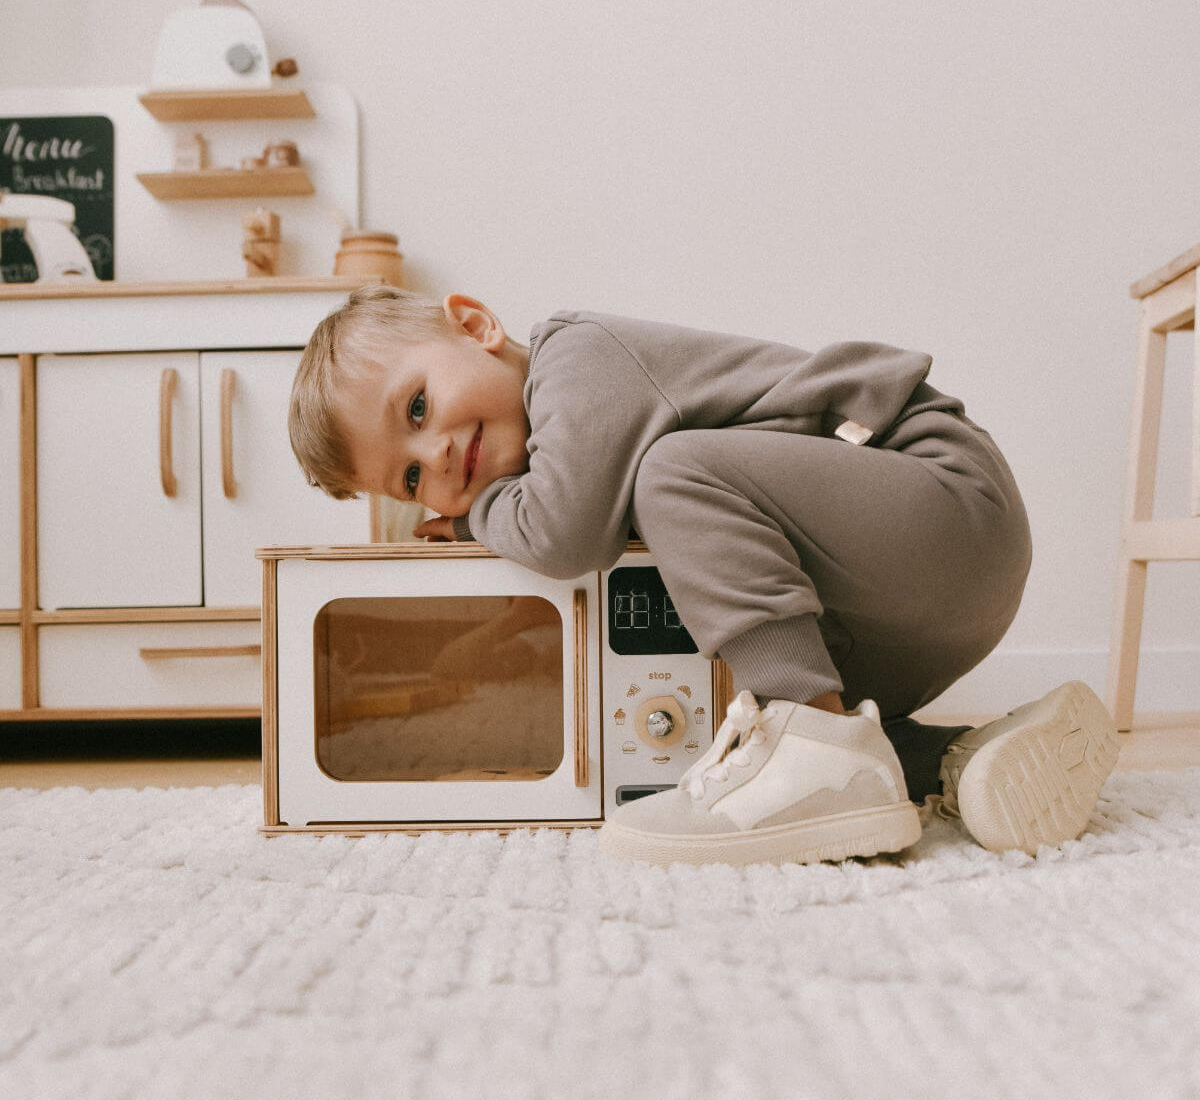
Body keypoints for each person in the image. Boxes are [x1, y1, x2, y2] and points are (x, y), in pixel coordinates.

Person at [288, 283, 1119, 866]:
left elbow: (563, 533)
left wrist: (471, 519)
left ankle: (815, 750)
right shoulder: (561, 453)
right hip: (898, 607)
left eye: (418, 410)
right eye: (407, 481)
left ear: (474, 325)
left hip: (944, 498)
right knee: (730, 682)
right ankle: (953, 760)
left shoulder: (577, 361)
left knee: (673, 472)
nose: (435, 461)